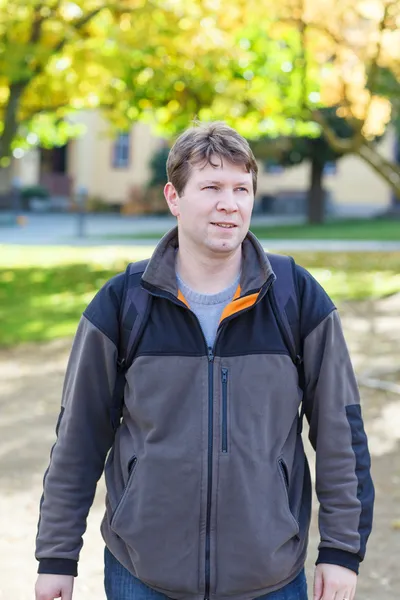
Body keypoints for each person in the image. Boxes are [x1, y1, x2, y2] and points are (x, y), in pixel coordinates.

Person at [35, 121, 374, 600]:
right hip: (143, 574)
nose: (229, 204)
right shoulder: (122, 303)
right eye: (211, 187)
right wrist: (56, 557)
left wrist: (341, 551)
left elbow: (341, 432)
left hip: (269, 576)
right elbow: (78, 439)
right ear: (174, 197)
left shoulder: (297, 298)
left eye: (242, 188)